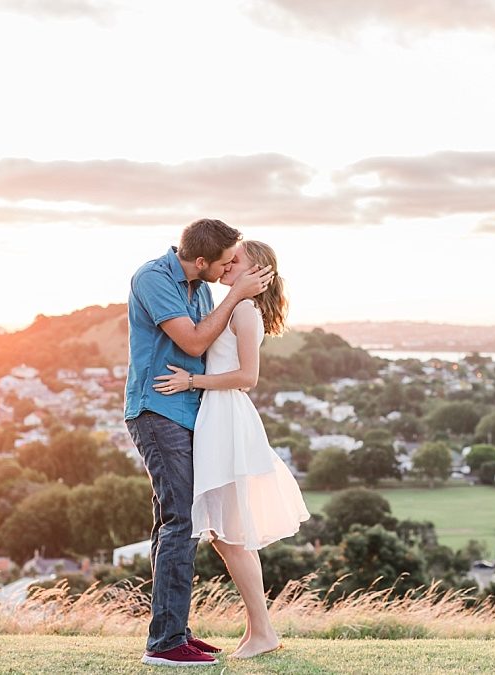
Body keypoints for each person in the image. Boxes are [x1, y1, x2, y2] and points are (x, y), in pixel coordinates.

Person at [125, 219, 274, 667]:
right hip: (157, 411)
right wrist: (236, 296)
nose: (232, 267)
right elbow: (192, 341)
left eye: (239, 261)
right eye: (227, 261)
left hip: (191, 414)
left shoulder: (203, 289)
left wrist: (232, 300)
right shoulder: (153, 277)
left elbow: (218, 346)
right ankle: (166, 643)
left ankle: (174, 632)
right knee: (180, 522)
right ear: (204, 261)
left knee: (174, 521)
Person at [153, 240, 310, 660]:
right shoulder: (235, 305)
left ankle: (262, 632)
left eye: (235, 259)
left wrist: (191, 382)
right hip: (218, 418)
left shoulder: (242, 309)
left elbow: (247, 376)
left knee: (232, 535)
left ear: (254, 269)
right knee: (229, 536)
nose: (227, 263)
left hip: (227, 417)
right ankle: (259, 630)